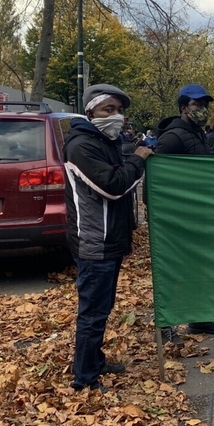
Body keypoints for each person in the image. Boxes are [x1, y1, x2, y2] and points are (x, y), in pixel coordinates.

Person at [63, 84, 153, 392]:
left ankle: (94, 362)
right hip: (94, 241)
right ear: (91, 112)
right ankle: (84, 379)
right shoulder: (81, 146)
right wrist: (138, 160)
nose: (116, 116)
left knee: (102, 308)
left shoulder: (105, 142)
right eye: (108, 109)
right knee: (92, 313)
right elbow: (113, 186)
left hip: (109, 240)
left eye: (119, 110)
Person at [155, 84, 214, 339]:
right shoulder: (173, 137)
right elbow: (155, 177)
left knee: (199, 267)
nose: (203, 109)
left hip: (198, 214)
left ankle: (200, 318)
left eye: (205, 104)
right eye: (197, 104)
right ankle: (165, 325)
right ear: (183, 107)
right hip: (177, 217)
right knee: (175, 269)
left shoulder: (197, 134)